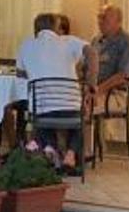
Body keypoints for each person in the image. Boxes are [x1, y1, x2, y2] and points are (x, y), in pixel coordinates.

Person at [15, 10, 90, 175]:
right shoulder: (69, 41)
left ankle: (52, 152)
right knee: (81, 115)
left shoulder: (26, 45)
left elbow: (20, 75)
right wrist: (92, 84)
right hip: (71, 110)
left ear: (36, 29)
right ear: (56, 27)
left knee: (40, 113)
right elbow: (92, 53)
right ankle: (70, 155)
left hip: (43, 111)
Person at [88, 5, 129, 105]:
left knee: (85, 105)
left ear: (118, 22)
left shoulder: (128, 43)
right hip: (93, 90)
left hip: (114, 94)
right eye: (99, 17)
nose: (100, 21)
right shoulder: (96, 40)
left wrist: (98, 90)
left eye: (104, 17)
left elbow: (123, 76)